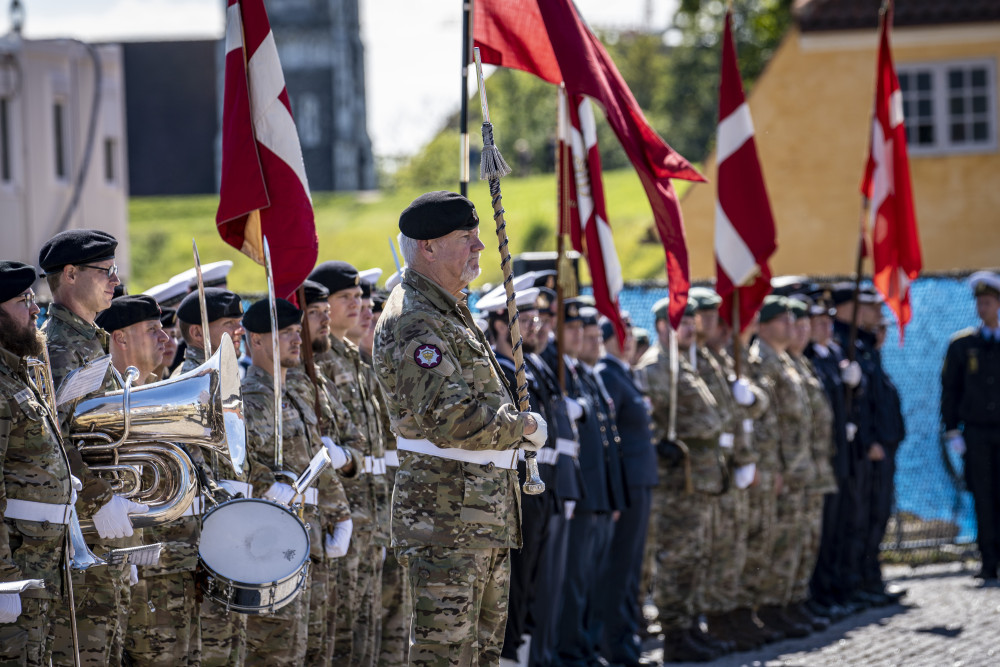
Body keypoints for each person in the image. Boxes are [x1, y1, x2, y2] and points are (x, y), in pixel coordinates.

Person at [373, 191, 547, 665]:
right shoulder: (415, 319)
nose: (480, 247)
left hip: (477, 514)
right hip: (444, 518)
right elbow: (450, 420)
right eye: (466, 238)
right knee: (444, 656)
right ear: (428, 248)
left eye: (477, 236)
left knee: (482, 656)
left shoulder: (447, 310)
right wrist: (524, 425)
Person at [38, 229, 150, 666]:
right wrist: (103, 497)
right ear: (70, 274)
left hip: (108, 529)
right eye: (106, 272)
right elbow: (55, 437)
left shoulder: (88, 340)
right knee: (84, 651)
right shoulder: (57, 347)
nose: (116, 282)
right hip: (83, 527)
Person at [240, 297, 351, 664]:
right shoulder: (247, 398)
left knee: (313, 648)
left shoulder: (299, 390)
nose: (295, 339)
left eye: (295, 332)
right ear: (256, 341)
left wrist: (341, 514)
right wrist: (265, 485)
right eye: (283, 333)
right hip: (273, 545)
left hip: (311, 539)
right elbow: (237, 460)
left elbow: (317, 459)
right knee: (277, 650)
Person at [635, 298, 725, 662]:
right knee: (676, 558)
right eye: (679, 322)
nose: (688, 327)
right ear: (660, 326)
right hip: (673, 481)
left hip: (698, 477)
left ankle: (688, 625)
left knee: (695, 556)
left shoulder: (687, 365)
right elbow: (643, 422)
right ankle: (675, 632)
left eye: (691, 321)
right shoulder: (654, 368)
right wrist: (660, 444)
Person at [309, 259, 389, 666]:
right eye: (347, 298)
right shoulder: (319, 361)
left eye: (360, 297)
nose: (360, 305)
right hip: (346, 511)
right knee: (341, 633)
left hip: (370, 512)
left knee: (364, 630)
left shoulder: (353, 359)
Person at [0, 261, 75, 666]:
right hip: (16, 566)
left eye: (33, 298)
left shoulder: (19, 373)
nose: (34, 309)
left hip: (41, 562)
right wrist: (2, 582)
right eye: (22, 300)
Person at [285, 280, 361, 663]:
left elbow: (357, 440)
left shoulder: (319, 378)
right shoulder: (277, 386)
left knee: (337, 641)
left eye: (322, 313)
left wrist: (346, 456)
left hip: (334, 519)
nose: (323, 321)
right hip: (302, 531)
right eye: (312, 313)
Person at [172, 287, 249, 666]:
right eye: (229, 324)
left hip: (230, 531)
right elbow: (191, 465)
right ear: (199, 334)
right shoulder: (186, 383)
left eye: (239, 322)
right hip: (207, 537)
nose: (240, 329)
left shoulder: (228, 380)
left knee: (232, 646)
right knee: (214, 649)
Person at [595, 315, 658, 666]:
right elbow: (610, 440)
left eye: (630, 332)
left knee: (633, 568)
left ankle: (628, 641)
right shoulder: (608, 373)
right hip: (627, 485)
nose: (628, 338)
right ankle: (616, 646)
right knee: (620, 569)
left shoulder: (623, 372)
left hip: (640, 481)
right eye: (619, 332)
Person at [942, 271, 1000, 583]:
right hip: (976, 432)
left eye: (988, 302)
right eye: (979, 303)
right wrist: (952, 430)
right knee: (983, 496)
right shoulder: (963, 345)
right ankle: (989, 560)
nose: (983, 308)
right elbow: (950, 390)